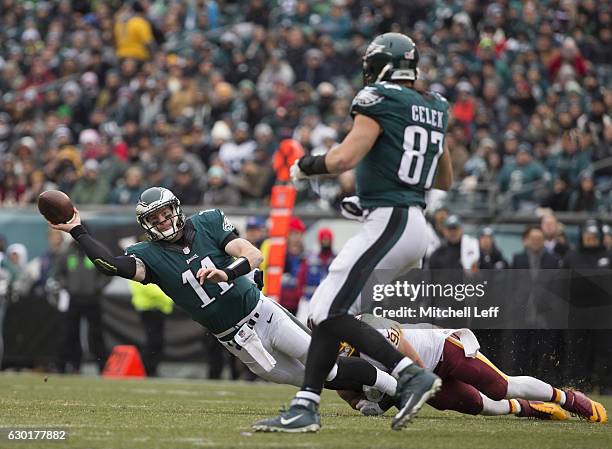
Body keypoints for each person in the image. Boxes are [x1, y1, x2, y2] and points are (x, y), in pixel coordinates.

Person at [253, 33, 453, 432]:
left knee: (325, 312)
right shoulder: (434, 105)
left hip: (390, 222)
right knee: (327, 314)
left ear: (380, 66)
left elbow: (344, 157)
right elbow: (444, 177)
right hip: (410, 222)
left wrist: (305, 165)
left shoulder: (378, 98)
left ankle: (411, 374)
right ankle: (305, 405)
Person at [48, 187, 399, 399]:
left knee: (326, 367)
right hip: (235, 340)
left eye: (166, 213)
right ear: (146, 225)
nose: (164, 221)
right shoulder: (148, 256)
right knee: (320, 379)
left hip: (263, 314)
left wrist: (224, 273)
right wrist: (77, 229)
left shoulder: (209, 222)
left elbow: (254, 255)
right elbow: (109, 264)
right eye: (155, 219)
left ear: (177, 208)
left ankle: (396, 384)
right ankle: (376, 393)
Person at [337, 314, 607, 423]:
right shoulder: (331, 355)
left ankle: (568, 398)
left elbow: (408, 353)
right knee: (480, 405)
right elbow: (345, 391)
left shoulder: (367, 326)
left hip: (440, 350)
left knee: (501, 387)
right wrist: (364, 402)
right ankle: (528, 407)